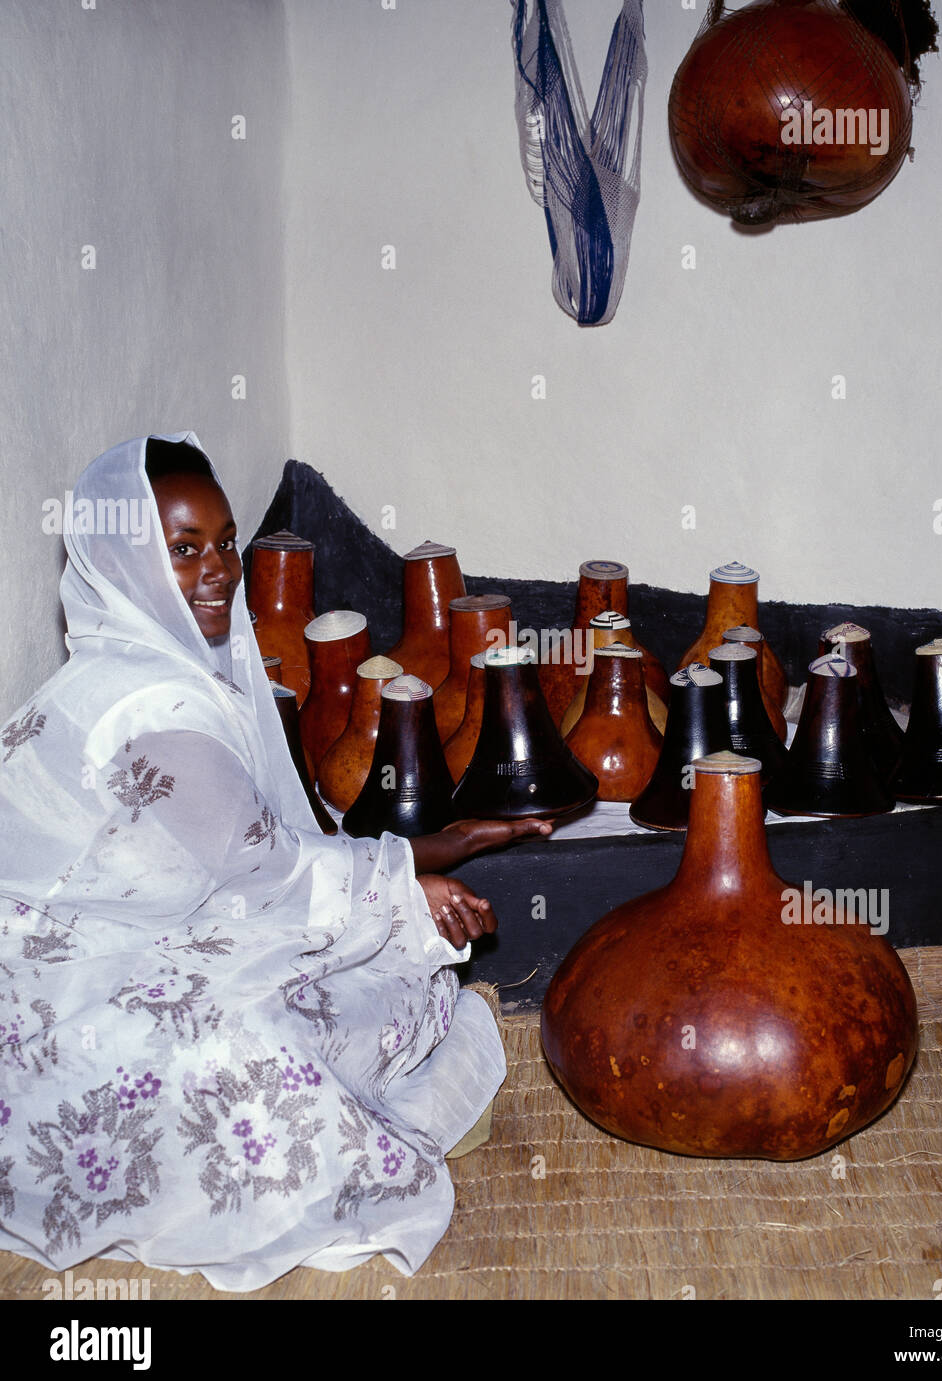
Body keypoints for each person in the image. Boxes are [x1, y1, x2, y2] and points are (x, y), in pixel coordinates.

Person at [0, 432, 548, 1291]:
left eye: (224, 544)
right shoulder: (151, 705)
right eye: (182, 551)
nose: (218, 570)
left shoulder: (123, 666)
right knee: (274, 1043)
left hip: (99, 950)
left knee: (367, 978)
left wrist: (430, 851)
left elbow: (249, 851)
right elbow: (271, 872)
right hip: (52, 994)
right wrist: (410, 883)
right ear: (122, 561)